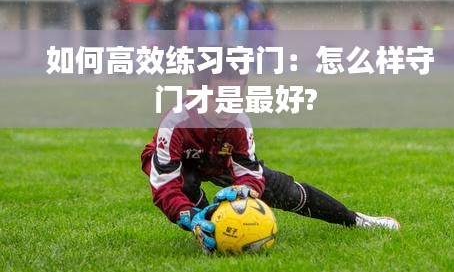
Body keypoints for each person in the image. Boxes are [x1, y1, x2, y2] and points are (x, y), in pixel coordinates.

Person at [140, 51, 400, 253]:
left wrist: (246, 189)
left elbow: (249, 173)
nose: (227, 106)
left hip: (219, 160)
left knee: (284, 191)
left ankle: (355, 220)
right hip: (181, 165)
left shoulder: (240, 123)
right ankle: (210, 232)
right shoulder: (176, 123)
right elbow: (165, 186)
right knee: (185, 186)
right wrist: (187, 216)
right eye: (217, 97)